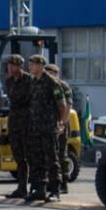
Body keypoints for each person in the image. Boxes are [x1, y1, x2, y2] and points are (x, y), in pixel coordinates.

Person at [26, 55, 67, 204]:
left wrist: (61, 123)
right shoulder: (33, 81)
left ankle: (55, 190)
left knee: (51, 159)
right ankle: (39, 189)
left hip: (48, 127)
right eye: (30, 64)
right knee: (36, 159)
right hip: (35, 127)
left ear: (40, 65)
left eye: (32, 64)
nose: (30, 67)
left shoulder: (51, 82)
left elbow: (61, 104)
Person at [3, 55, 32, 199]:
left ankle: (33, 187)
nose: (10, 68)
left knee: (30, 155)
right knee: (18, 156)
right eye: (9, 65)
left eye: (13, 65)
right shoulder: (8, 81)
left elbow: (28, 99)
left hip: (27, 121)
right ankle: (21, 187)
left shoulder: (29, 80)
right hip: (14, 120)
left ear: (20, 66)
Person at [45, 63, 74, 195]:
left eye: (51, 73)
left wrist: (62, 123)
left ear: (56, 73)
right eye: (47, 72)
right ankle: (51, 183)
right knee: (51, 154)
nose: (49, 75)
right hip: (49, 123)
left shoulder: (63, 86)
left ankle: (64, 183)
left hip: (61, 123)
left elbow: (67, 106)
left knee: (62, 154)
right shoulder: (46, 85)